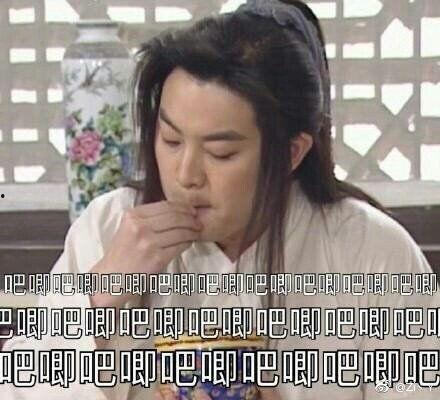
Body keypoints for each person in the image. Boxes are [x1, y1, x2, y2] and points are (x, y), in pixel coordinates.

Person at [2, 1, 439, 399]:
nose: (186, 175)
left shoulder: (371, 250)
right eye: (171, 140)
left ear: (291, 152)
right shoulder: (110, 227)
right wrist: (99, 296)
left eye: (221, 153)